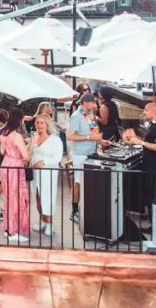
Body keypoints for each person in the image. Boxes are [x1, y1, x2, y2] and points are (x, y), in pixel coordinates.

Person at [67, 93, 109, 222]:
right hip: (80, 155)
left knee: (89, 183)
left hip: (92, 153)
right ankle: (74, 212)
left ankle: (87, 209)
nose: (95, 105)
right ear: (85, 103)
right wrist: (89, 138)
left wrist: (101, 142)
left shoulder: (90, 115)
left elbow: (93, 133)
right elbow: (70, 136)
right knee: (78, 183)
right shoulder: (76, 117)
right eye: (93, 103)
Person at [125, 101, 156, 217]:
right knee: (150, 196)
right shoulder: (154, 125)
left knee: (152, 197)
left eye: (146, 110)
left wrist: (141, 142)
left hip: (155, 168)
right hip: (150, 166)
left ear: (153, 111)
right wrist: (135, 139)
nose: (144, 113)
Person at [0, 107, 30, 242]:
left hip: (5, 165)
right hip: (15, 167)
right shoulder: (17, 136)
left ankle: (7, 228)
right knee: (15, 199)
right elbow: (26, 156)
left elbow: (2, 152)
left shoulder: (4, 134)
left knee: (7, 198)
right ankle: (13, 231)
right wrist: (30, 145)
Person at [30, 115, 63, 236]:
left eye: (42, 123)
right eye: (37, 123)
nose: (39, 125)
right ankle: (42, 221)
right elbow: (30, 153)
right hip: (35, 173)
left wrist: (43, 162)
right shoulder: (34, 138)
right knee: (38, 197)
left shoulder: (55, 140)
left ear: (47, 125)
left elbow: (58, 157)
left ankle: (49, 224)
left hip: (48, 173)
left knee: (47, 197)